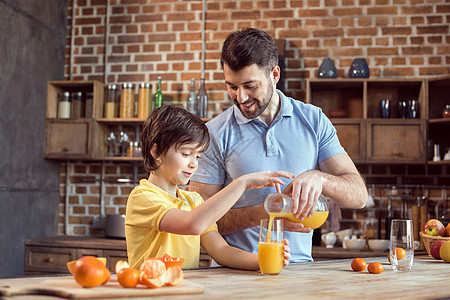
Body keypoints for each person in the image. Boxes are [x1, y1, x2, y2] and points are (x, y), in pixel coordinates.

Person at [189, 27, 368, 262]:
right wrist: (264, 213)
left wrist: (320, 178)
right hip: (234, 275)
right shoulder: (214, 133)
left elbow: (359, 196)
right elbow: (197, 222)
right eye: (232, 86)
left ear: (274, 75)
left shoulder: (314, 120)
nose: (240, 97)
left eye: (250, 86)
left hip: (300, 273)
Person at [125, 105, 293, 270]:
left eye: (197, 156)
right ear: (156, 152)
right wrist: (242, 183)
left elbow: (221, 251)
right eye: (185, 154)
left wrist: (263, 260)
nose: (193, 164)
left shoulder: (194, 201)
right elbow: (192, 224)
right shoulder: (143, 197)